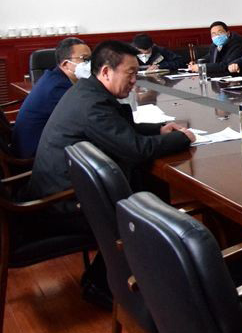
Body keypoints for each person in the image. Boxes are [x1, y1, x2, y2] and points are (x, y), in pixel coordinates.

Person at [23, 40, 195, 307]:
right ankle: (111, 286)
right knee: (144, 214)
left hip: (64, 190)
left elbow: (119, 129)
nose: (135, 81)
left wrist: (160, 129)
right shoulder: (93, 105)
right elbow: (135, 149)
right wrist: (183, 138)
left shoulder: (88, 91)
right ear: (105, 72)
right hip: (61, 204)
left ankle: (114, 279)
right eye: (131, 74)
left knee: (144, 192)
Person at [12, 37, 91, 159]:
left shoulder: (54, 77)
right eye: (85, 59)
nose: (90, 64)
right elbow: (84, 118)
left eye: (91, 59)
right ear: (66, 64)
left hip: (36, 143)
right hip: (34, 153)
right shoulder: (58, 87)